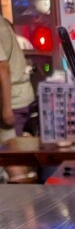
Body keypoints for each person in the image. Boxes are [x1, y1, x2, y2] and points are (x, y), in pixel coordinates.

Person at [0, 16, 37, 183]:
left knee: (10, 157)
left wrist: (7, 108)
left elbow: (3, 68)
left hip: (12, 99)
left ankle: (26, 196)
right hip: (19, 95)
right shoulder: (3, 23)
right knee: (13, 155)